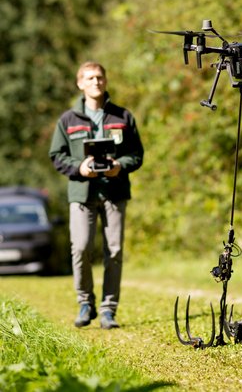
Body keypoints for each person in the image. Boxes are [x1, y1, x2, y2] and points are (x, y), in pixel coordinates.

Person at [49, 61, 144, 329]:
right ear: (80, 83)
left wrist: (119, 167)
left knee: (113, 252)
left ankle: (108, 310)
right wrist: (78, 168)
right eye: (89, 78)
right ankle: (85, 303)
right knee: (79, 248)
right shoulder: (68, 120)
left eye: (99, 77)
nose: (96, 82)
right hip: (82, 193)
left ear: (106, 81)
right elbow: (56, 155)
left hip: (114, 192)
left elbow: (136, 155)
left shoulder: (123, 117)